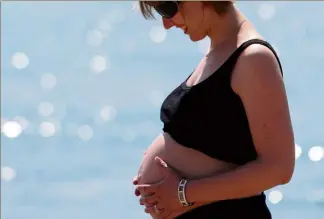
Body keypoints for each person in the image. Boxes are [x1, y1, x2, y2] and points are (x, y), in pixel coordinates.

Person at [132, 1, 295, 219]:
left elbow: (279, 167)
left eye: (166, 8)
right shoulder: (218, 51)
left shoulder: (254, 58)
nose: (166, 24)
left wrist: (183, 193)